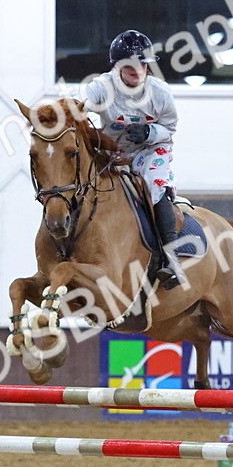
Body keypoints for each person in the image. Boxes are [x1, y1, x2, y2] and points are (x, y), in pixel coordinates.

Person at [84, 30, 186, 289]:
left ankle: (171, 258)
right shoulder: (102, 87)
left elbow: (170, 128)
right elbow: (83, 103)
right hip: (113, 154)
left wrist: (149, 132)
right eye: (130, 64)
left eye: (143, 63)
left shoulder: (161, 93)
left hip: (151, 152)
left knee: (155, 182)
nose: (138, 69)